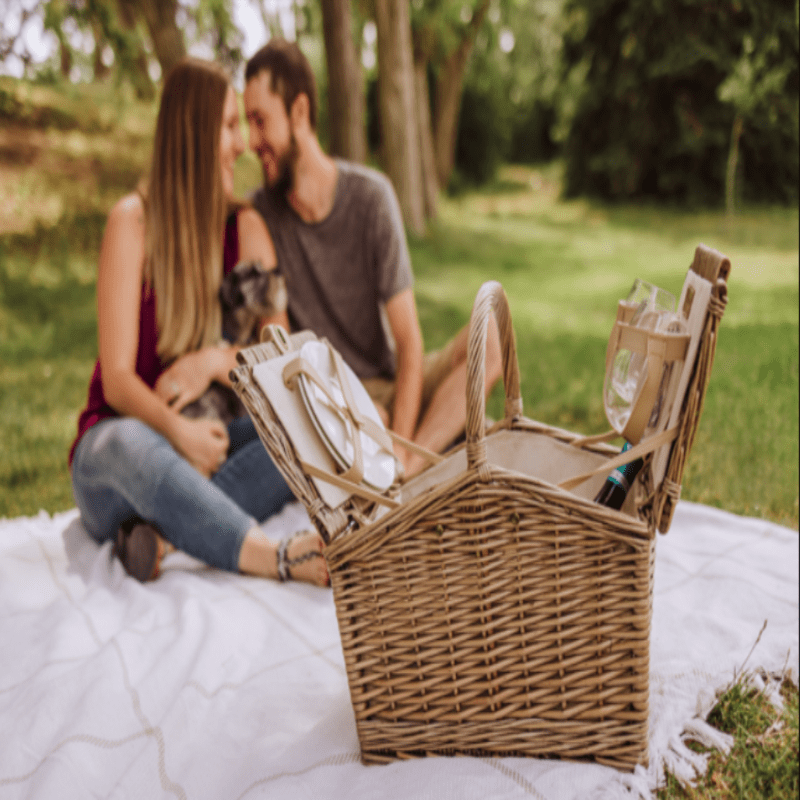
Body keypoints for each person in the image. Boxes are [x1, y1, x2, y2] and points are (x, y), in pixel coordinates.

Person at [69, 57, 328, 587]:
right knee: (126, 446)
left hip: (211, 445)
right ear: (192, 133)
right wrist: (177, 432)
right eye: (230, 126)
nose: (241, 145)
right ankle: (273, 556)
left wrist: (213, 361)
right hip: (123, 454)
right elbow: (117, 381)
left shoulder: (245, 227)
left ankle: (162, 538)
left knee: (303, 420)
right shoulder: (132, 223)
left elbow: (283, 360)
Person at [243, 39, 502, 478]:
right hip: (333, 407)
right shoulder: (260, 217)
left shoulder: (371, 198)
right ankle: (433, 446)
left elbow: (409, 341)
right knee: (449, 430)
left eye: (260, 121)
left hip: (391, 387)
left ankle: (409, 469)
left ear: (299, 112)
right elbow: (279, 360)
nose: (252, 141)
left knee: (492, 338)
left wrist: (400, 447)